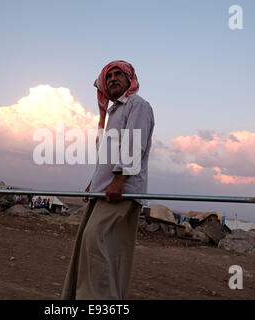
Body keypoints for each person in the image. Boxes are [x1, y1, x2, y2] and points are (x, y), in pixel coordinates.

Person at [61, 60, 155, 300]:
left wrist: (119, 181)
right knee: (94, 245)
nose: (113, 78)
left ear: (129, 79)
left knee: (96, 240)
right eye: (109, 75)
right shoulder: (113, 112)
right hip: (103, 191)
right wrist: (94, 183)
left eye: (118, 75)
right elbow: (107, 155)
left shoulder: (137, 105)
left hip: (121, 190)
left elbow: (134, 146)